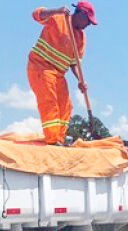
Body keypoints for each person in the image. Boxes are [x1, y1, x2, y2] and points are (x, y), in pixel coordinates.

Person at [27, 3, 97, 146]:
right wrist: (56, 10)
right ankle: (52, 140)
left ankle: (59, 138)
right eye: (88, 20)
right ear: (80, 14)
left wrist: (80, 80)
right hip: (41, 67)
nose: (89, 25)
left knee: (66, 106)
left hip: (59, 74)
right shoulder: (58, 18)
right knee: (50, 102)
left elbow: (74, 63)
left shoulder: (81, 38)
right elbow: (36, 14)